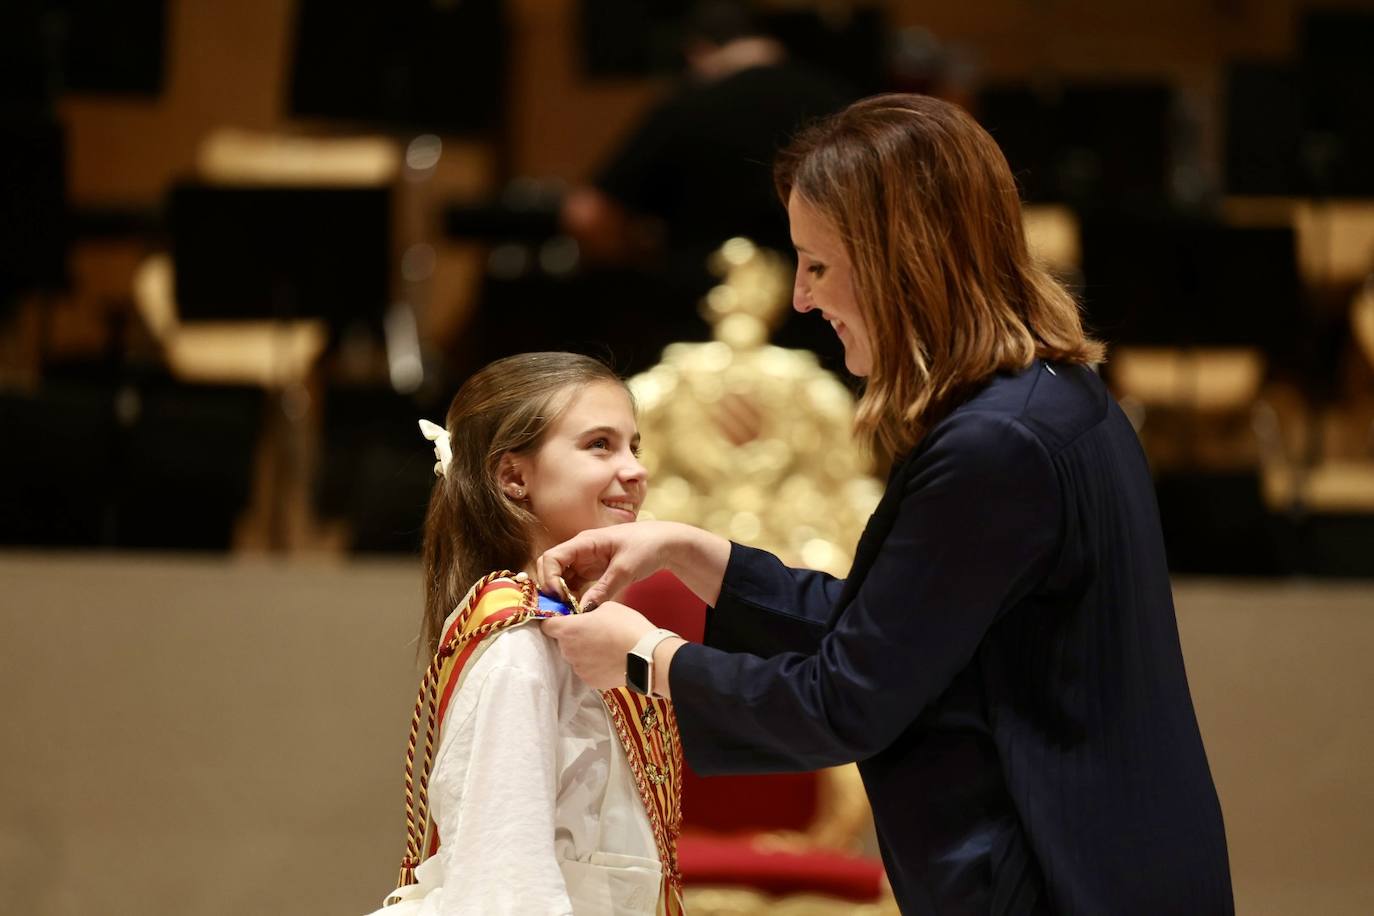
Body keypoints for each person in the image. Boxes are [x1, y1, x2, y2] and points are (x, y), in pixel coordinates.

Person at [538, 95, 1234, 914]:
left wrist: (645, 658)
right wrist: (691, 553)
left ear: (905, 259)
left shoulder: (995, 446)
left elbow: (845, 702)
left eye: (819, 265)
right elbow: (899, 625)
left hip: (1058, 880)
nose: (800, 297)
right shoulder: (1051, 397)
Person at [369, 352, 683, 916]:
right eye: (599, 445)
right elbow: (504, 879)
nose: (635, 470)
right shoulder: (518, 645)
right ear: (514, 476)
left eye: (634, 446)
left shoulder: (576, 623)